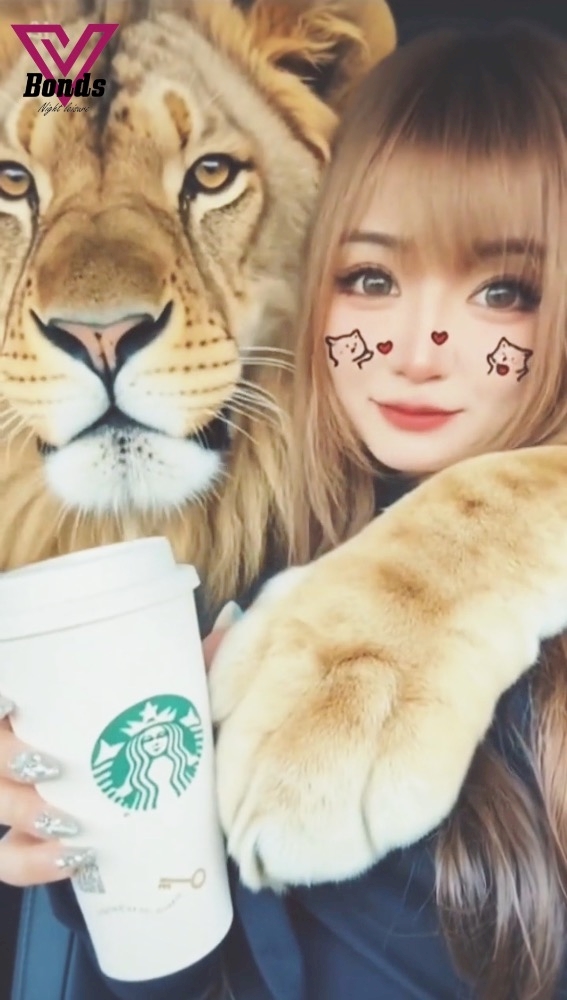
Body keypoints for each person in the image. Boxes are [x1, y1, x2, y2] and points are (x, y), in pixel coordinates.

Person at [3, 19, 567, 1000]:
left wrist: (479, 546)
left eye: (502, 290)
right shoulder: (258, 576)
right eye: (371, 277)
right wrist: (111, 859)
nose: (416, 349)